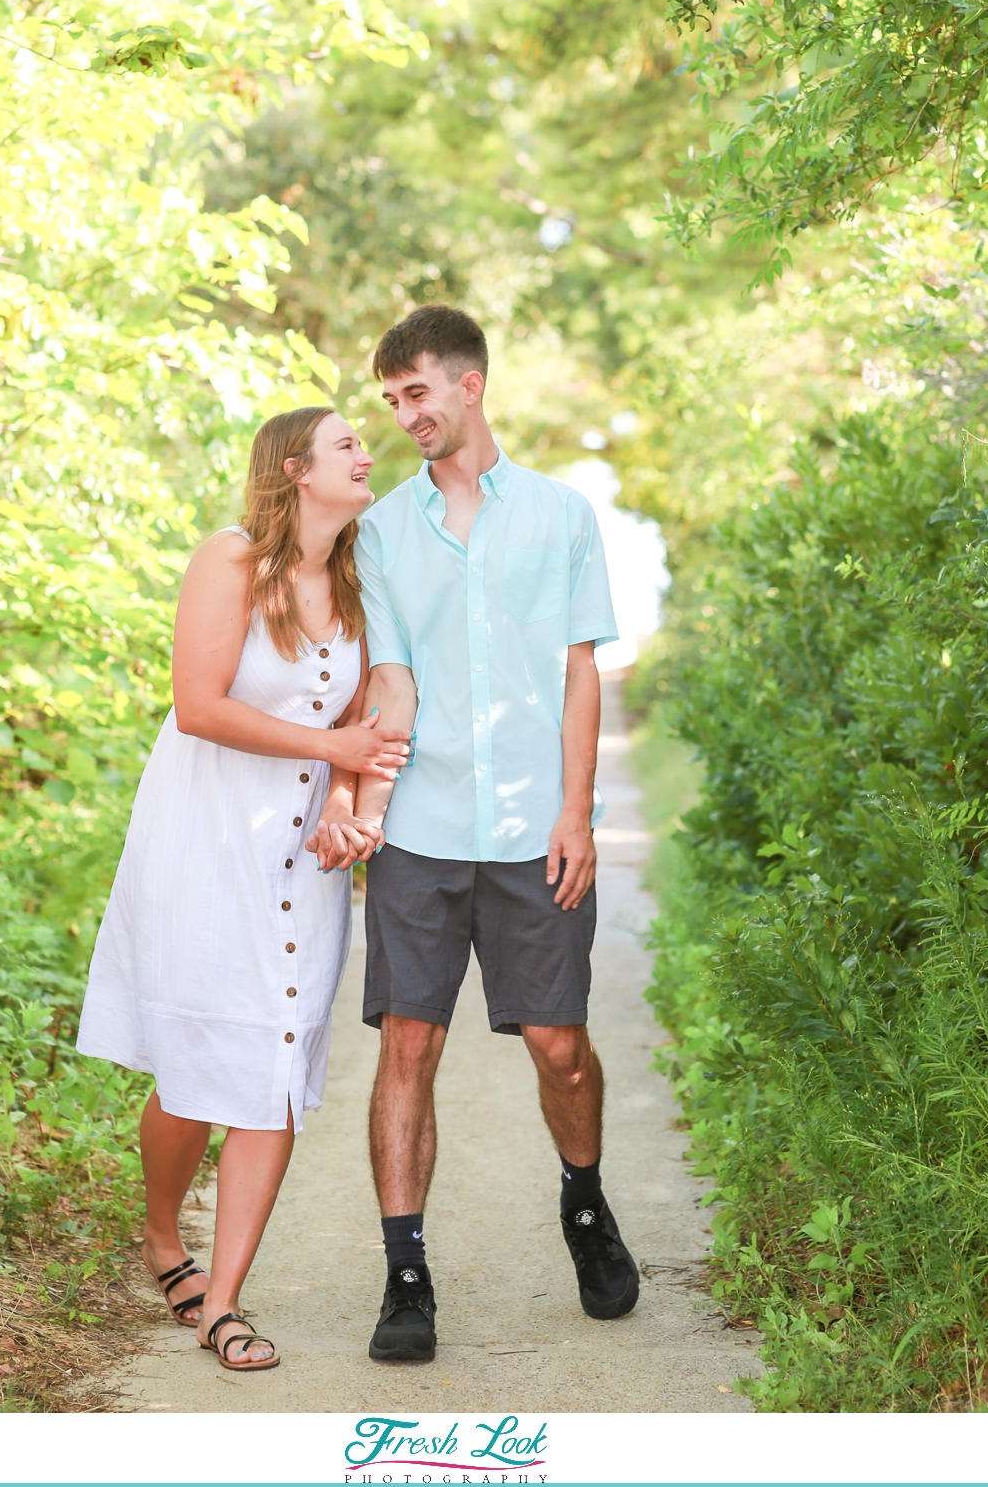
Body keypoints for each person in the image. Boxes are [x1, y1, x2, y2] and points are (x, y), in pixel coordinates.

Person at [76, 406, 409, 1373]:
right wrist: (331, 749)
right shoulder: (230, 560)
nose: (367, 453)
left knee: (274, 1068)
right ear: (297, 469)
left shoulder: (356, 585)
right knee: (191, 1068)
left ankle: (224, 1304)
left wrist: (347, 802)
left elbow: (361, 718)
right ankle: (160, 1235)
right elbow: (198, 704)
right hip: (204, 838)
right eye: (349, 442)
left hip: (301, 861)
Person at [352, 305, 640, 1365]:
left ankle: (584, 1202)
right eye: (389, 402)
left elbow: (579, 672)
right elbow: (391, 677)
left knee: (562, 1050)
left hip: (535, 832)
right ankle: (406, 1273)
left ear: (469, 385)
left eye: (415, 393)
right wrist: (363, 804)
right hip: (421, 834)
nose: (404, 416)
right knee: (407, 1046)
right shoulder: (381, 531)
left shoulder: (563, 517)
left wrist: (577, 812)